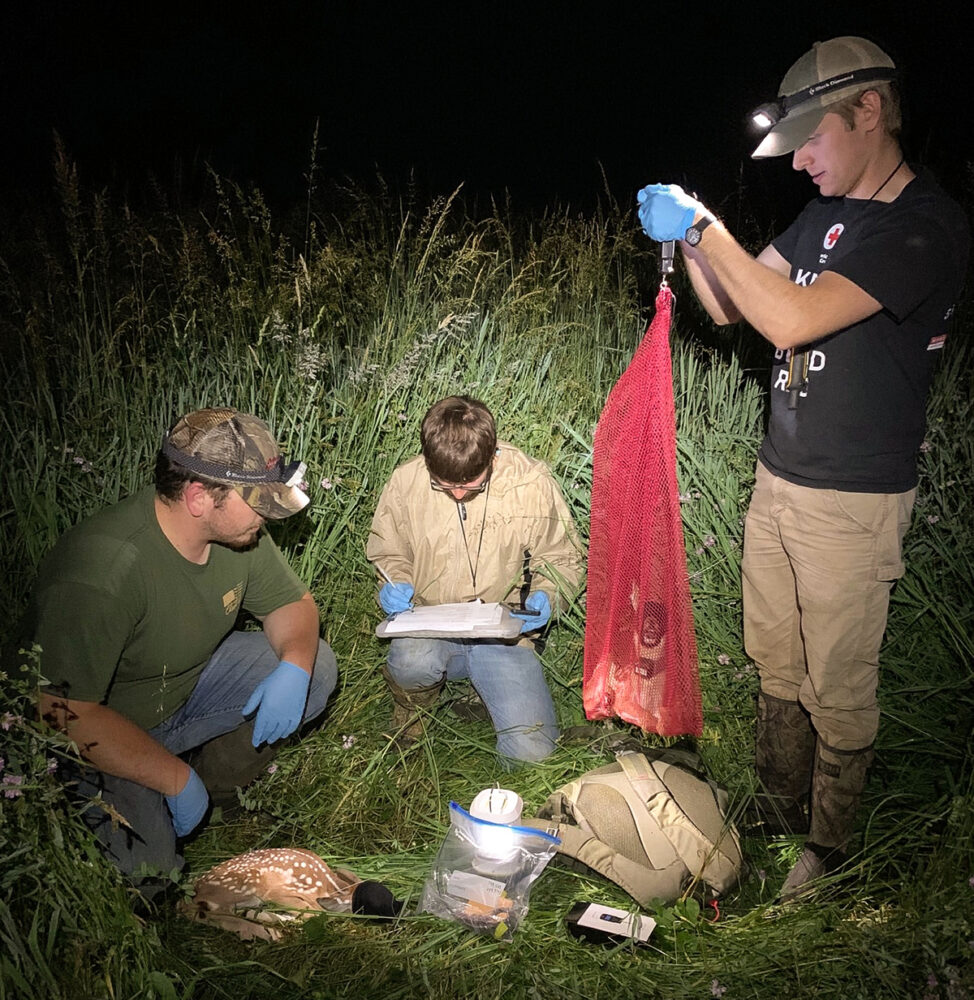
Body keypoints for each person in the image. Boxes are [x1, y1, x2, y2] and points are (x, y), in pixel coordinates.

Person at [636, 36, 969, 899]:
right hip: (779, 479)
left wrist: (709, 227)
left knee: (839, 684)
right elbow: (728, 306)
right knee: (774, 659)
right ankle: (777, 810)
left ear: (868, 111)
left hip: (853, 502)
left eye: (811, 142)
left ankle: (830, 850)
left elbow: (787, 321)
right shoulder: (822, 215)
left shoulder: (920, 226)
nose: (803, 164)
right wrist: (691, 234)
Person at [28, 407, 338, 900]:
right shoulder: (102, 573)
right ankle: (159, 787)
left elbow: (291, 604)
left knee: (316, 666)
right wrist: (172, 778)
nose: (265, 517)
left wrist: (295, 666)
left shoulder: (238, 533)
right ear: (198, 497)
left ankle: (213, 790)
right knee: (150, 876)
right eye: (257, 502)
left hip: (183, 691)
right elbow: (57, 711)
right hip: (101, 728)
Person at [366, 395, 583, 766]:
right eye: (444, 484)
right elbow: (388, 553)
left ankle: (484, 692)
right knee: (411, 662)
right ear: (427, 461)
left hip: (502, 634)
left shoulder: (529, 482)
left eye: (471, 483)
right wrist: (393, 583)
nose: (458, 493)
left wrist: (547, 595)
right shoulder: (405, 482)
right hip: (429, 626)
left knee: (532, 756)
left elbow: (561, 558)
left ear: (492, 456)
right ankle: (412, 714)